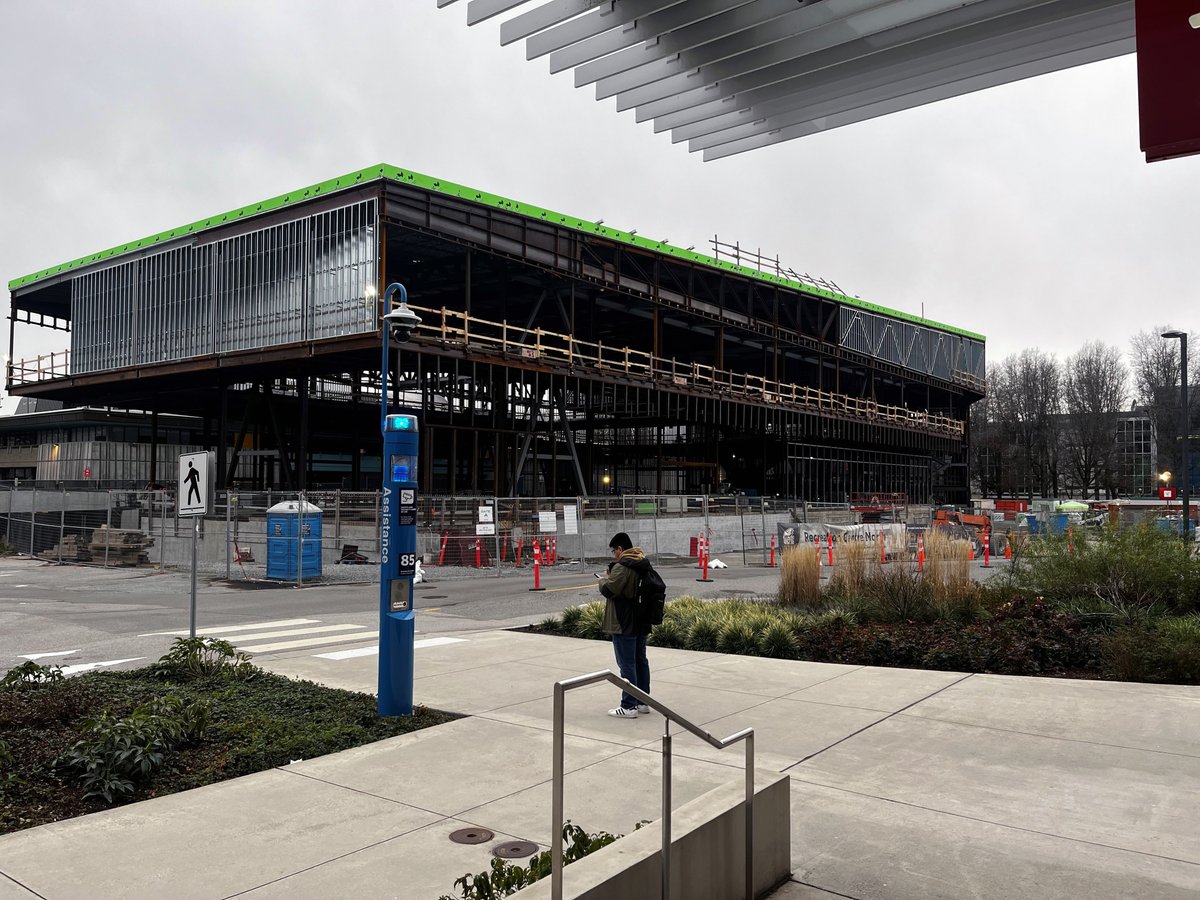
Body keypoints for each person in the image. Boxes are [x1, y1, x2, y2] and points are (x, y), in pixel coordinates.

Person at [599, 531, 652, 718]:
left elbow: (609, 590)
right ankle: (643, 701)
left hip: (623, 621)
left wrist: (603, 579)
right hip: (641, 619)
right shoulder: (641, 562)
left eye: (614, 551)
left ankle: (628, 706)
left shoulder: (622, 566)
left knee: (626, 664)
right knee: (640, 661)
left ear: (620, 549)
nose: (614, 554)